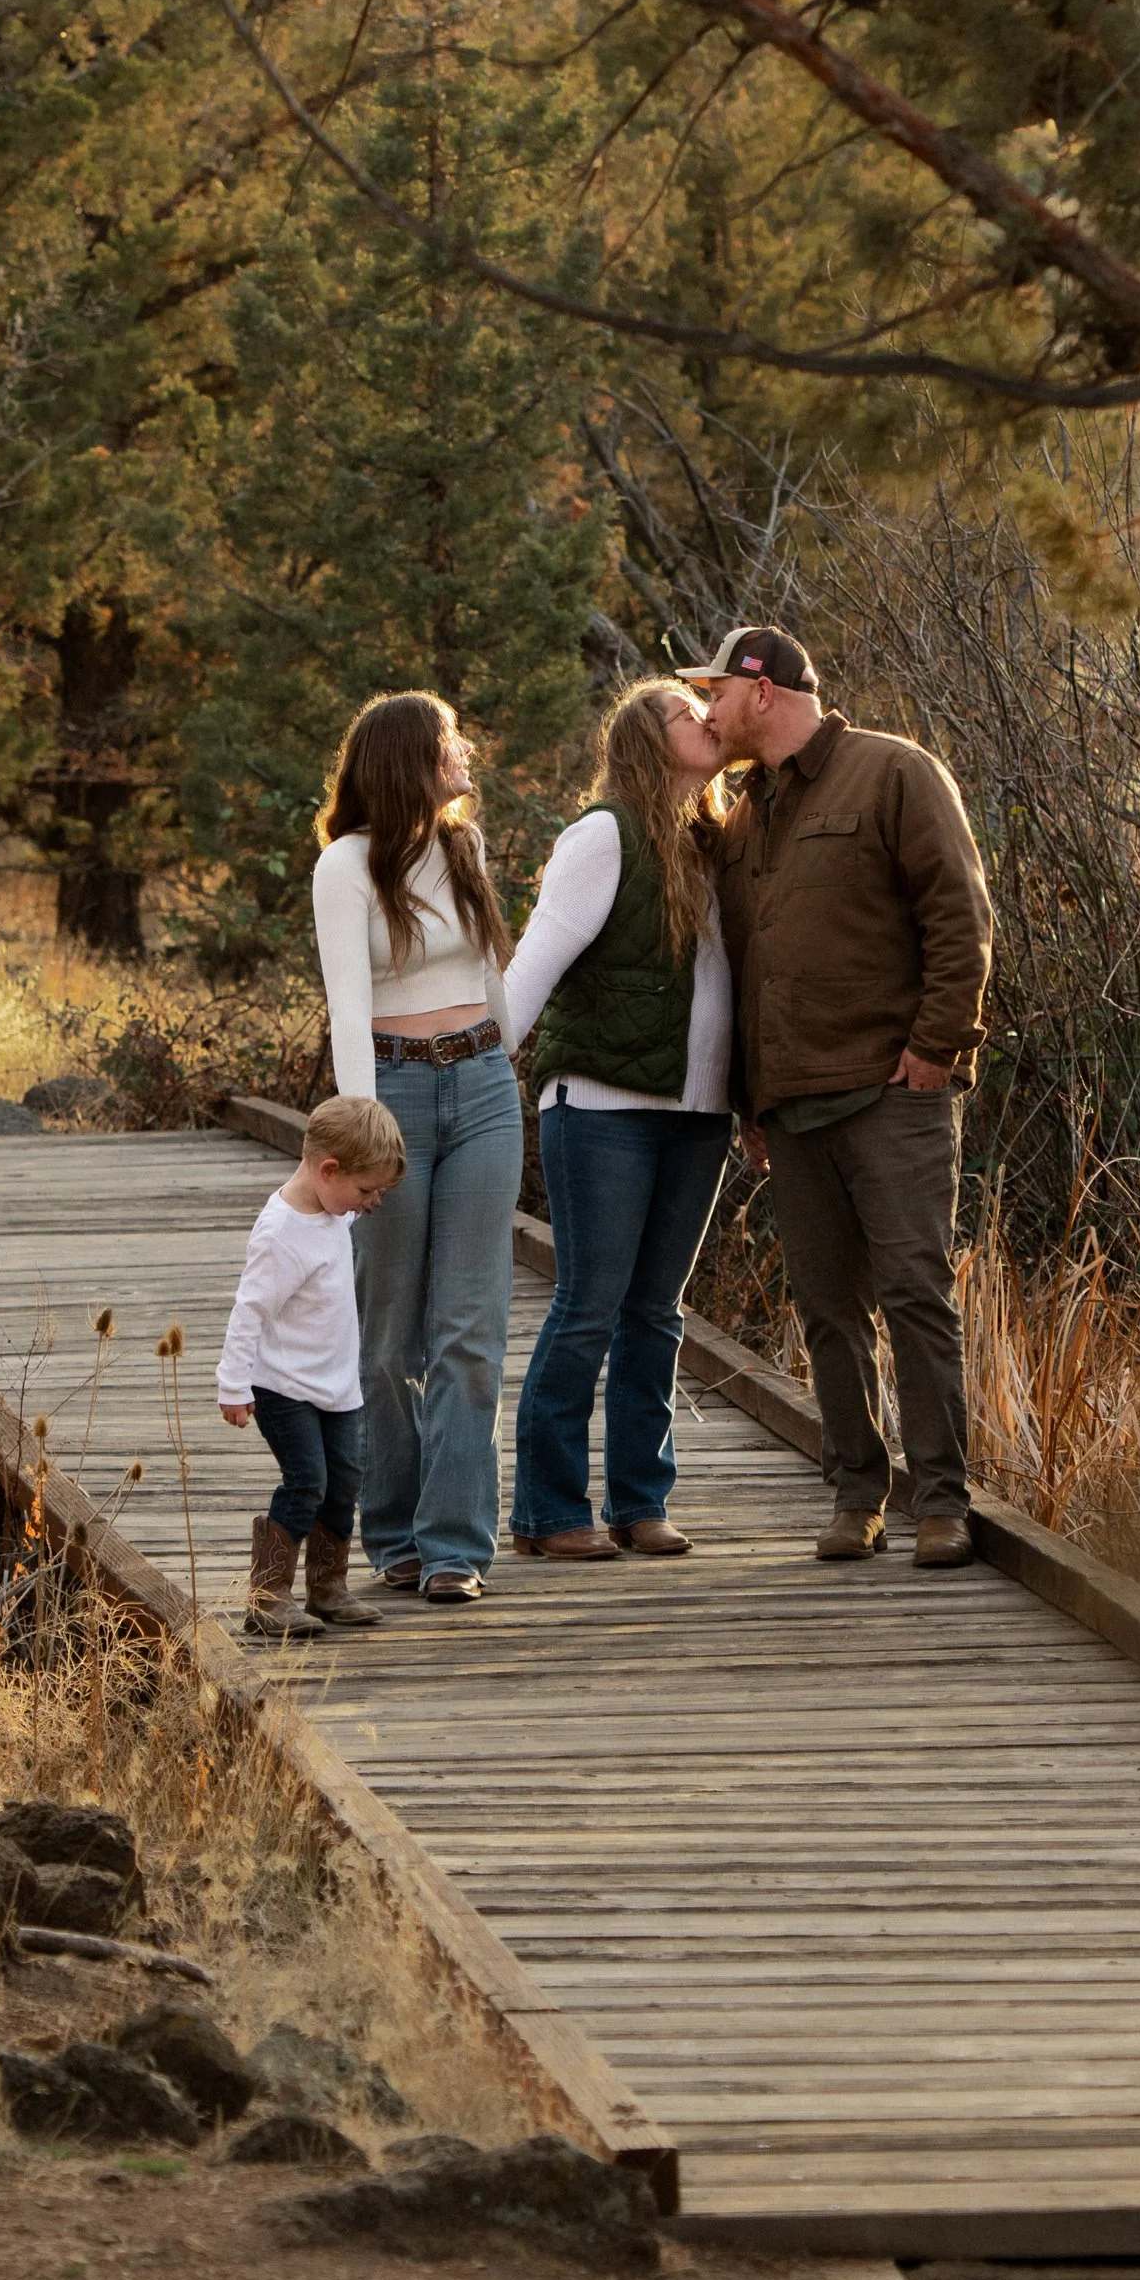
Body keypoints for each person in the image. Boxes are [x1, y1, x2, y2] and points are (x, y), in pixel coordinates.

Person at [688, 624, 994, 1570]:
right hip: (790, 1106)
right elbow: (741, 961)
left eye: (717, 693)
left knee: (914, 1295)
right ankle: (857, 1496)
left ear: (764, 692)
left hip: (890, 1091)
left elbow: (961, 913)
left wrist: (937, 1048)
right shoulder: (743, 813)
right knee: (827, 1310)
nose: (707, 710)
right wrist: (751, 1102)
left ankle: (942, 1501)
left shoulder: (894, 773)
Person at [501, 681, 736, 1559]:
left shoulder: (715, 844)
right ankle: (551, 1513)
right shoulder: (605, 836)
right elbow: (531, 968)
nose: (706, 721)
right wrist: (484, 1081)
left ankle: (641, 1503)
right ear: (645, 737)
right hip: (601, 1106)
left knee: (656, 1312)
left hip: (698, 1112)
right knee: (589, 1306)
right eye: (686, 713)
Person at [313, 690, 521, 1608]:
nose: (464, 752)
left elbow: (495, 978)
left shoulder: (465, 848)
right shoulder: (346, 867)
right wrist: (363, 1133)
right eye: (448, 743)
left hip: (482, 1088)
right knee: (389, 1332)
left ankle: (454, 1547)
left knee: (470, 1335)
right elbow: (348, 1007)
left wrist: (521, 1072)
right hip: (390, 1090)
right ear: (408, 761)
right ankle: (392, 1533)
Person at [215, 1091, 406, 1641]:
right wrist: (233, 1383)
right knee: (307, 1482)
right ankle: (268, 1595)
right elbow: (249, 1310)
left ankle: (328, 1586)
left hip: (336, 1385)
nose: (372, 1202)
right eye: (367, 1190)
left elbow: (343, 1213)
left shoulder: (331, 1210)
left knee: (344, 1482)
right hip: (281, 1386)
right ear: (328, 1170)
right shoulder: (281, 1236)